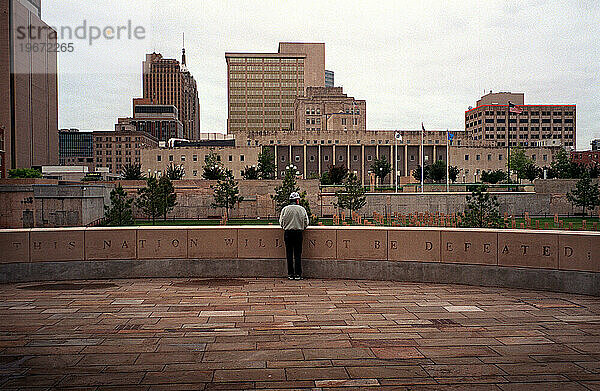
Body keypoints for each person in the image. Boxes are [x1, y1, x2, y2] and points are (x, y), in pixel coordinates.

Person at [279, 192, 309, 280]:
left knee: (289, 254)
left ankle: (290, 274)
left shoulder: (285, 209)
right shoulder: (302, 209)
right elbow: (306, 222)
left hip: (288, 233)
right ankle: (298, 274)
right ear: (297, 200)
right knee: (297, 254)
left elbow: (281, 222)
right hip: (298, 233)